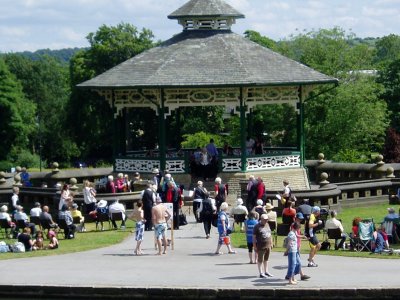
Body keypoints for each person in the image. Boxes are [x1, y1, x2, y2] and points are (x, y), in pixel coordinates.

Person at [252, 214, 273, 278]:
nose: (266, 221)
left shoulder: (267, 224)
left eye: (267, 220)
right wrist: (255, 246)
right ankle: (261, 272)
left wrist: (271, 243)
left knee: (266, 259)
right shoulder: (257, 226)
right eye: (265, 220)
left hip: (268, 245)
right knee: (260, 260)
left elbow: (270, 234)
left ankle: (266, 271)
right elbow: (254, 237)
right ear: (261, 219)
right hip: (261, 246)